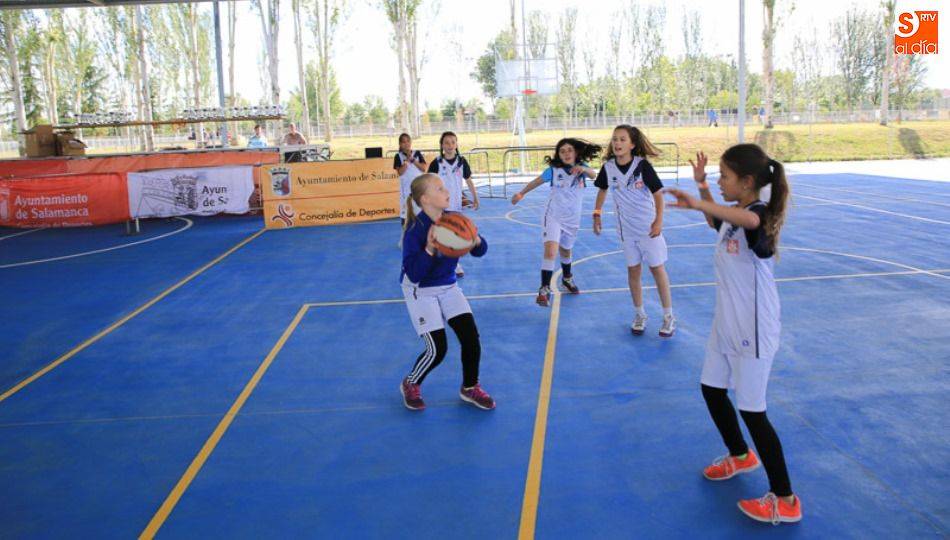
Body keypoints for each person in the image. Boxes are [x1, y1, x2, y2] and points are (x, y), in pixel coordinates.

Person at [665, 144, 801, 525]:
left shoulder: (758, 215)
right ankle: (740, 455)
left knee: (753, 410)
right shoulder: (733, 213)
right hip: (727, 321)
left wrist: (699, 202)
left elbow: (750, 223)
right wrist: (704, 190)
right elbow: (720, 222)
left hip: (753, 326)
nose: (720, 181)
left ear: (748, 182)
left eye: (724, 177)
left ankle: (786, 498)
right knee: (711, 388)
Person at [399, 173, 494, 411]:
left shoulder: (455, 220)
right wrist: (430, 248)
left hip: (449, 286)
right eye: (440, 188)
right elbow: (414, 274)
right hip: (420, 291)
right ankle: (411, 383)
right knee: (437, 349)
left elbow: (480, 251)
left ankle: (470, 387)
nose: (447, 191)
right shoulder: (415, 230)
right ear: (425, 199)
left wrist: (476, 240)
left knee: (471, 339)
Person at [593, 125, 676, 337]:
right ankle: (640, 314)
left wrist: (659, 221)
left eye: (622, 139)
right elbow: (602, 189)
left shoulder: (642, 166)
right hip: (626, 232)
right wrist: (597, 213)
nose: (617, 143)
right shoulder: (608, 167)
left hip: (648, 229)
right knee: (633, 272)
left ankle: (668, 316)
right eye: (614, 139)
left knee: (657, 270)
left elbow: (658, 194)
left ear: (632, 144)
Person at [510, 138, 600, 306]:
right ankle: (544, 289)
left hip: (572, 218)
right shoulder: (554, 170)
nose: (566, 153)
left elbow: (594, 174)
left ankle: (567, 278)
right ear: (558, 155)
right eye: (562, 151)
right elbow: (536, 181)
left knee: (566, 251)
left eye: (569, 150)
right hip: (552, 215)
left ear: (576, 153)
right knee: (551, 251)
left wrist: (582, 168)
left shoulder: (582, 169)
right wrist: (521, 193)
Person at [428, 131, 479, 277]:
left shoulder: (461, 162)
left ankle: (455, 264)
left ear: (456, 145)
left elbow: (468, 180)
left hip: (456, 206)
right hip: (441, 206)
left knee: (456, 236)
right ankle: (441, 263)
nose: (450, 145)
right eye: (446, 142)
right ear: (442, 145)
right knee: (440, 236)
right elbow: (429, 182)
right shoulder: (436, 163)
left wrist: (475, 197)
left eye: (453, 142)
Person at [394, 132, 426, 228]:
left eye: (408, 141)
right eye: (403, 142)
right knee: (406, 215)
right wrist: (407, 162)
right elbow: (400, 172)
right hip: (406, 193)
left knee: (420, 213)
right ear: (400, 144)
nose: (406, 143)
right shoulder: (398, 156)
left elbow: (423, 168)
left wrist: (413, 160)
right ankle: (405, 237)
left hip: (419, 189)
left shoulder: (417, 153)